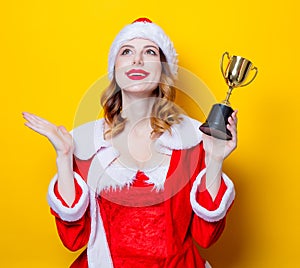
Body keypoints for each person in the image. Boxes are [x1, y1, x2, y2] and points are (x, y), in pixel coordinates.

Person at [23, 18, 237, 268]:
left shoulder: (193, 139)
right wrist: (64, 156)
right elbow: (74, 238)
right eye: (127, 51)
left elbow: (206, 235)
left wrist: (214, 160)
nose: (137, 60)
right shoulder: (84, 142)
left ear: (164, 70)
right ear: (115, 68)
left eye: (149, 51)